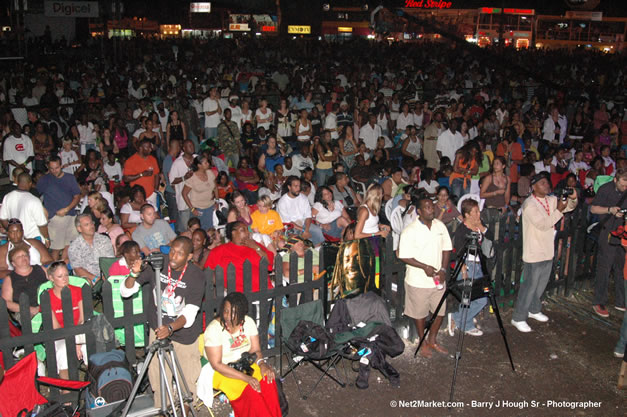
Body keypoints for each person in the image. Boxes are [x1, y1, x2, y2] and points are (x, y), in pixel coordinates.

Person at [122, 236, 204, 409]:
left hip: (184, 336)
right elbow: (126, 291)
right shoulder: (158, 263)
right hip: (157, 329)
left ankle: (185, 410)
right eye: (172, 250)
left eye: (180, 254)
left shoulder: (196, 275)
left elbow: (189, 314)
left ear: (189, 257)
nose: (174, 257)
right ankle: (164, 408)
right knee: (159, 377)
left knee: (187, 381)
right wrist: (134, 273)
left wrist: (170, 328)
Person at [511, 173, 578, 332]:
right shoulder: (529, 205)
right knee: (529, 286)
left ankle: (534, 309)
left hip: (547, 250)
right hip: (534, 251)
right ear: (533, 187)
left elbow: (569, 206)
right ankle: (518, 317)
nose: (546, 185)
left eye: (547, 183)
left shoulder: (551, 199)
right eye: (542, 183)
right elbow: (543, 224)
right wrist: (559, 211)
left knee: (540, 285)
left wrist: (573, 198)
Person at [203, 292, 281, 417]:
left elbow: (255, 350)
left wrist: (262, 364)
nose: (228, 316)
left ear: (242, 313)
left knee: (268, 380)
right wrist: (246, 378)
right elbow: (217, 365)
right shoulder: (214, 329)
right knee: (251, 392)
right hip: (221, 370)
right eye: (226, 311)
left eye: (234, 312)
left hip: (244, 363)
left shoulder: (248, 322)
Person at [398, 196, 451, 357]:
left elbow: (447, 248)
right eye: (427, 207)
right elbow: (403, 255)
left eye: (432, 207)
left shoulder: (440, 226)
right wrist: (424, 267)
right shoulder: (410, 230)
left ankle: (433, 339)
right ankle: (423, 342)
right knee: (419, 314)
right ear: (419, 212)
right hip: (418, 280)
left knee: (439, 312)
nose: (431, 210)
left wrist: (443, 269)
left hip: (437, 280)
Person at [448, 199, 494, 337]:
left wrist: (481, 226)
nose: (478, 213)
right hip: (467, 265)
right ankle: (464, 323)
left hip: (479, 264)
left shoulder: (479, 225)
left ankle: (458, 317)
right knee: (467, 297)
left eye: (478, 210)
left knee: (482, 298)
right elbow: (458, 252)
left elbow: (491, 237)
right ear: (467, 215)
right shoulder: (462, 230)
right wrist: (463, 269)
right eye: (475, 211)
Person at [590, 168, 627, 317]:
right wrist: (610, 210)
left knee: (621, 267)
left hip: (622, 232)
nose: (625, 186)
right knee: (605, 267)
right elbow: (593, 208)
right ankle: (599, 301)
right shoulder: (606, 189)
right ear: (615, 180)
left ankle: (621, 301)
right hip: (607, 231)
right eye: (623, 183)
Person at [46, 261, 87, 381]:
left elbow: (82, 319)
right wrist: (72, 341)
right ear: (51, 278)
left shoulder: (77, 291)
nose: (64, 279)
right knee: (63, 350)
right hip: (60, 335)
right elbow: (56, 327)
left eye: (66, 275)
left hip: (80, 331)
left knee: (88, 347)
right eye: (60, 276)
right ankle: (67, 389)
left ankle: (94, 385)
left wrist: (78, 341)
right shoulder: (47, 297)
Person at [205, 221, 274, 292]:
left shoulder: (254, 245)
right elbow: (208, 272)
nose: (247, 232)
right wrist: (221, 286)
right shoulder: (220, 250)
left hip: (263, 291)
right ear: (233, 233)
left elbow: (270, 262)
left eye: (247, 229)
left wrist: (256, 247)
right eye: (243, 230)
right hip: (236, 295)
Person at [36, 155, 81, 261]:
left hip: (70, 215)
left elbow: (77, 196)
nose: (54, 171)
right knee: (56, 248)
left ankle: (64, 267)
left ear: (61, 166)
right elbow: (35, 196)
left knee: (69, 245)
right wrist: (44, 210)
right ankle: (54, 270)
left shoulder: (70, 178)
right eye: (51, 168)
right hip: (55, 218)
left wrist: (67, 208)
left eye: (56, 168)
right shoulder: (44, 180)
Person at [1, 245, 48, 324]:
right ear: (13, 263)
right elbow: (7, 302)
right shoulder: (9, 279)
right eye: (19, 256)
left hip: (46, 305)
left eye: (25, 255)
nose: (23, 257)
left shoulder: (40, 269)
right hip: (23, 311)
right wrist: (29, 309)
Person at [0, 172, 49, 242]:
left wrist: (12, 231)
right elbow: (42, 225)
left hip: (16, 240)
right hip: (33, 240)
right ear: (30, 183)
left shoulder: (7, 197)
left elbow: (3, 219)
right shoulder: (34, 200)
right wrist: (46, 238)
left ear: (17, 182)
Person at [276, 176, 325, 247]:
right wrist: (303, 231)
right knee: (302, 239)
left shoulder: (303, 198)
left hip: (304, 224)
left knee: (317, 231)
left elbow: (308, 216)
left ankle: (317, 252)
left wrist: (306, 230)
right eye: (295, 186)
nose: (298, 188)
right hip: (291, 227)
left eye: (299, 186)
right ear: (289, 187)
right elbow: (288, 222)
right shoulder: (282, 202)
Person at [68, 213, 115, 285]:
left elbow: (110, 261)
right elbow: (77, 269)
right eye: (87, 225)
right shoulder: (74, 246)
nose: (91, 226)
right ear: (79, 229)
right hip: (87, 279)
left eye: (91, 223)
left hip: (106, 276)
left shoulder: (104, 240)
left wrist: (105, 277)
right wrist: (96, 279)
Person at [182, 154, 218, 230]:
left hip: (209, 207)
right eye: (205, 163)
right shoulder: (192, 177)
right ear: (199, 165)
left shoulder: (210, 173)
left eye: (207, 162)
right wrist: (192, 209)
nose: (208, 164)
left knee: (209, 230)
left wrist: (217, 201)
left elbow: (215, 187)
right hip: (198, 209)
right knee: (197, 231)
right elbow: (184, 194)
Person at [122, 139, 160, 207]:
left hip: (151, 194)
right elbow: (126, 178)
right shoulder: (131, 161)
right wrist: (141, 174)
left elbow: (156, 175)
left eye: (150, 147)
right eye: (147, 147)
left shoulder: (152, 159)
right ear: (140, 148)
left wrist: (155, 190)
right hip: (137, 196)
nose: (150, 149)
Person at [169, 139, 196, 233]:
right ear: (184, 148)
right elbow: (172, 180)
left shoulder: (197, 159)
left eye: (192, 145)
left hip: (197, 199)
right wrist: (184, 178)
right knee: (186, 227)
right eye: (189, 146)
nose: (192, 147)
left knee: (197, 225)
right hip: (184, 201)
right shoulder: (177, 163)